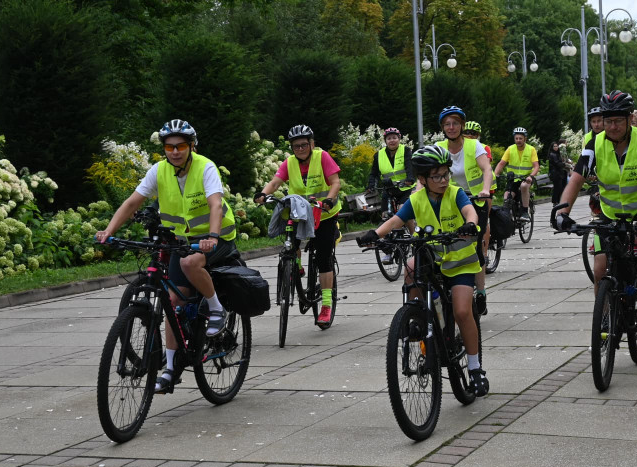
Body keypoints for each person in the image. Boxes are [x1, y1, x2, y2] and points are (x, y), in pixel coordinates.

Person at [96, 119, 238, 393]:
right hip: (182, 241)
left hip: (216, 239)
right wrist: (108, 231)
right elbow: (132, 202)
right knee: (172, 301)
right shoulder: (159, 170)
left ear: (191, 146)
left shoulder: (205, 167)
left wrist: (212, 236)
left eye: (181, 146)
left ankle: (216, 307)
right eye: (169, 147)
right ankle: (171, 368)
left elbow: (215, 204)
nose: (175, 151)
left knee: (189, 263)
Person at [357, 146, 488, 396]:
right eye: (436, 176)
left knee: (462, 311)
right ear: (422, 180)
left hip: (460, 263)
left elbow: (469, 210)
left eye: (445, 174)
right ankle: (416, 317)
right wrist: (375, 234)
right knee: (411, 269)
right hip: (433, 259)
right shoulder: (416, 200)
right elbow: (396, 220)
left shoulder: (456, 193)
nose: (443, 180)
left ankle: (475, 369)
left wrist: (471, 224)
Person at [554, 90, 637, 307]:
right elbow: (576, 179)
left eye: (618, 121)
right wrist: (563, 213)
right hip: (609, 212)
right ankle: (606, 319)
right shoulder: (595, 143)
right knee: (600, 268)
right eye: (608, 121)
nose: (612, 127)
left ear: (630, 119)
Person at [255, 125, 342, 328]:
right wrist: (262, 193)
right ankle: (297, 267)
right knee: (290, 242)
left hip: (325, 213)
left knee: (323, 258)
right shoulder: (290, 162)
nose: (300, 149)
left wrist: (329, 199)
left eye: (304, 144)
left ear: (311, 144)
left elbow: (335, 182)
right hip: (301, 213)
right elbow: (275, 182)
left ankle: (326, 306)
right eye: (296, 146)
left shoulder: (323, 157)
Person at [435, 106, 494, 315]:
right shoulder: (439, 147)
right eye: (447, 124)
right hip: (448, 200)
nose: (451, 127)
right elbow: (423, 178)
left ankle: (480, 292)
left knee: (474, 248)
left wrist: (486, 189)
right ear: (443, 127)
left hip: (475, 200)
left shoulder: (473, 145)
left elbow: (487, 169)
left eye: (455, 123)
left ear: (461, 125)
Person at [367, 127, 414, 261]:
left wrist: (410, 179)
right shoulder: (379, 155)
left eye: (394, 138)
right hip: (389, 190)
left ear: (399, 139)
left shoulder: (405, 150)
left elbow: (410, 167)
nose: (392, 140)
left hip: (405, 189)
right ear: (385, 141)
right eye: (389, 138)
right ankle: (387, 250)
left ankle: (414, 238)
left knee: (403, 210)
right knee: (385, 216)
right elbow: (374, 173)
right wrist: (371, 186)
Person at [494, 127, 540, 214]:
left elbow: (536, 166)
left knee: (523, 186)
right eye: (516, 138)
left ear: (525, 139)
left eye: (520, 138)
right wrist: (495, 175)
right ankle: (507, 217)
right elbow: (501, 163)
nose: (518, 140)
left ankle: (525, 212)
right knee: (507, 197)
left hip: (526, 178)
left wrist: (531, 176)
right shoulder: (510, 149)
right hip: (513, 178)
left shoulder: (531, 149)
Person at [549, 139, 570, 204]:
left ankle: (558, 201)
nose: (556, 147)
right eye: (554, 146)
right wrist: (565, 164)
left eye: (557, 146)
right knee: (557, 188)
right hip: (555, 173)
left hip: (559, 173)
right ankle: (555, 201)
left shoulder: (557, 154)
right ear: (552, 147)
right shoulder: (552, 154)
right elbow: (557, 163)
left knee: (560, 187)